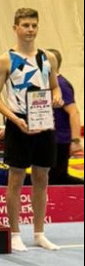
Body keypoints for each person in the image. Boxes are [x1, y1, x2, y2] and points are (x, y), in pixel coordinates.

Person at [0, 8, 63, 252]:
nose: (30, 29)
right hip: (18, 121)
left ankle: (39, 233)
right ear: (15, 28)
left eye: (34, 25)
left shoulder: (48, 58)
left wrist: (57, 96)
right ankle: (15, 233)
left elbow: (54, 86)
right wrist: (14, 119)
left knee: (42, 177)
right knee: (16, 178)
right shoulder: (5, 60)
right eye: (25, 25)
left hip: (43, 119)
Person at [45, 49, 82, 185]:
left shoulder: (61, 85)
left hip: (60, 139)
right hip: (51, 138)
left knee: (58, 177)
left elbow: (74, 112)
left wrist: (75, 140)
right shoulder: (50, 84)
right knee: (54, 176)